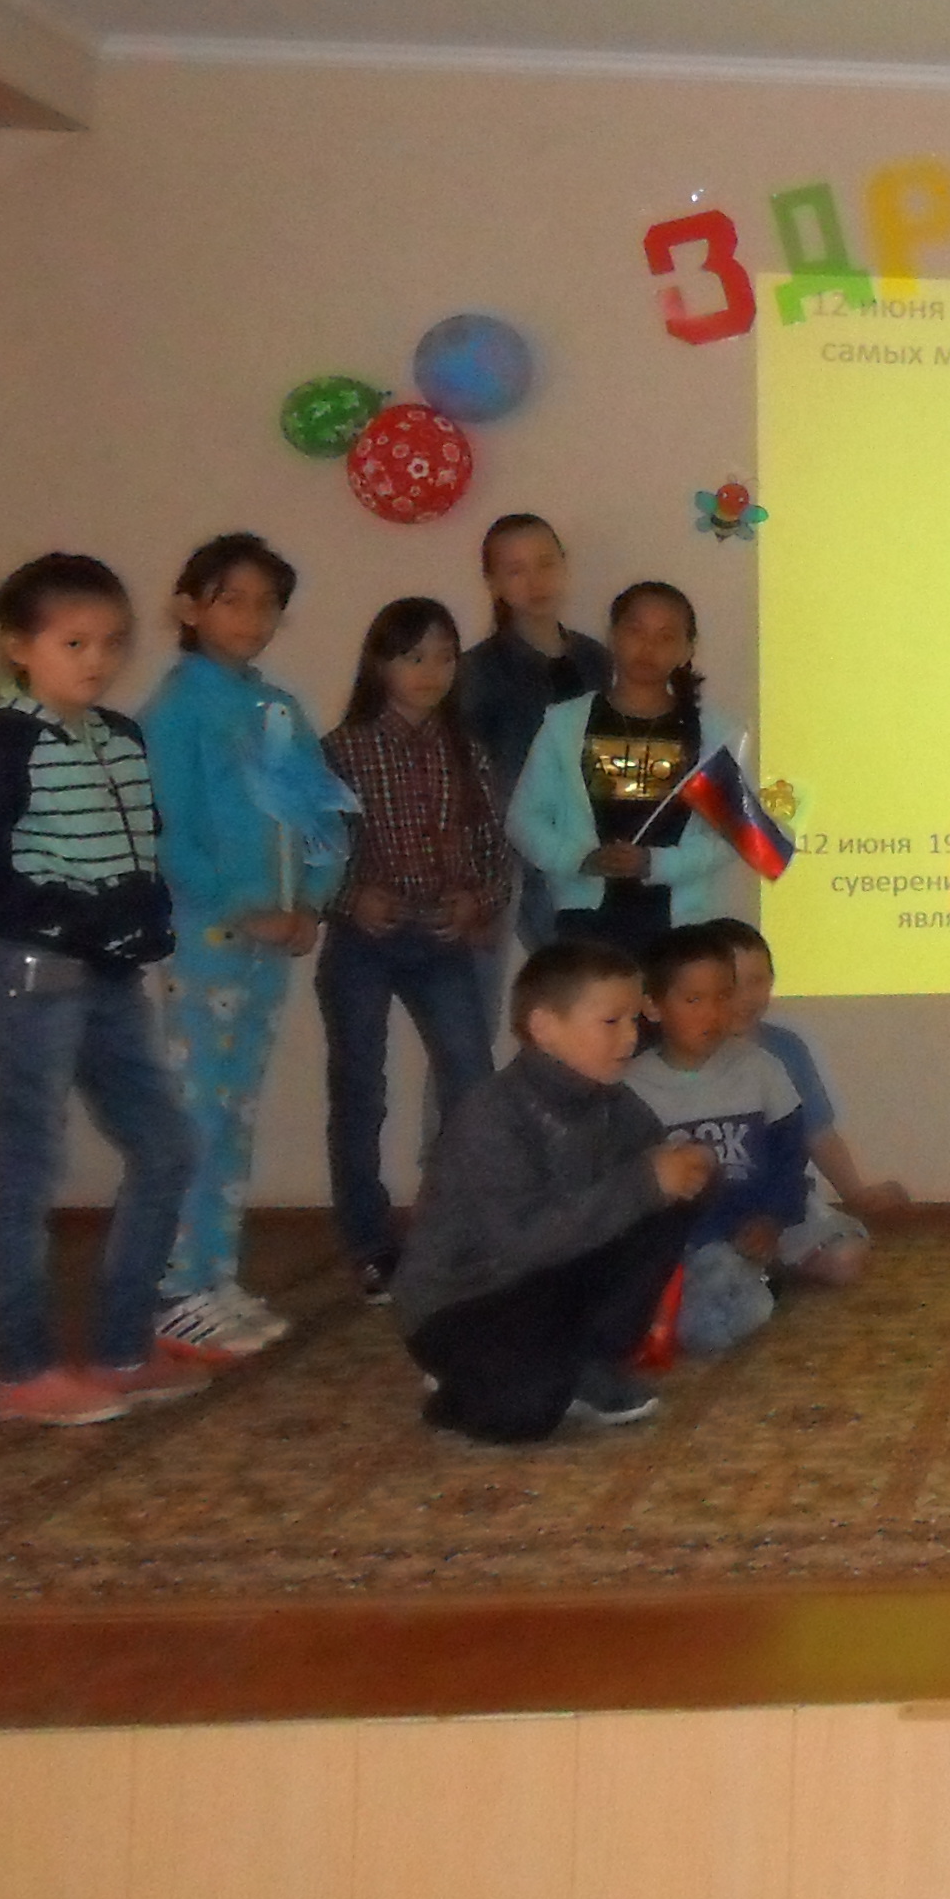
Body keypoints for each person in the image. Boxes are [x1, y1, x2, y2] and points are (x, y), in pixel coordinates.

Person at [0, 555, 212, 1427]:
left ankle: (122, 1348)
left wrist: (144, 917)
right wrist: (77, 918)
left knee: (166, 1147)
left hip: (111, 980)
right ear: (20, 645)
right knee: (24, 1173)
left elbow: (137, 849)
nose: (97, 660)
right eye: (74, 642)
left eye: (113, 643)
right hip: (29, 981)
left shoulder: (120, 737)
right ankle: (24, 1371)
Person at [141, 532, 340, 1363]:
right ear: (190, 608)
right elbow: (167, 830)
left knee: (236, 1110)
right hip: (208, 937)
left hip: (272, 940)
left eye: (267, 604)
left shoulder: (278, 707)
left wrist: (312, 903)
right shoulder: (176, 708)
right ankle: (173, 1287)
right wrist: (239, 906)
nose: (252, 618)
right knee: (198, 1110)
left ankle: (214, 1276)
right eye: (234, 600)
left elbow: (319, 815)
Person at [393, 940, 712, 1443]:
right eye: (611, 1021)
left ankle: (588, 1359)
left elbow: (648, 1174)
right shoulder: (493, 1116)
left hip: (548, 1281)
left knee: (687, 1188)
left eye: (634, 1019)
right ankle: (460, 1385)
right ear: (544, 1028)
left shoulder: (613, 1100)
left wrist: (687, 1165)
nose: (632, 1036)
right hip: (467, 1300)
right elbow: (524, 1242)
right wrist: (646, 1181)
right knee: (527, 1412)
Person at [317, 596, 514, 1303]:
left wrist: (479, 900)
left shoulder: (466, 750)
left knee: (473, 1086)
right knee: (360, 1091)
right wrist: (349, 897)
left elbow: (494, 848)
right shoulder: (341, 751)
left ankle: (462, 1234)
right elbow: (312, 852)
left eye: (445, 657)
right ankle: (370, 1242)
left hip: (441, 940)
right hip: (362, 944)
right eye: (414, 656)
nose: (432, 671)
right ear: (380, 663)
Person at [507, 580, 736, 954]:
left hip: (680, 928)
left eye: (666, 636)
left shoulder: (713, 733)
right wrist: (582, 859)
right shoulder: (566, 724)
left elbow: (728, 835)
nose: (648, 647)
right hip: (586, 924)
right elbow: (523, 819)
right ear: (612, 636)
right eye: (635, 631)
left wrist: (655, 863)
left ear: (687, 649)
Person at [623, 924, 815, 1357]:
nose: (712, 1013)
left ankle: (749, 1282)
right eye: (694, 1000)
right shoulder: (631, 1088)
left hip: (752, 1229)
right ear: (653, 1006)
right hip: (680, 1244)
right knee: (700, 1314)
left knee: (732, 1306)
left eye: (723, 997)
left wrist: (772, 1219)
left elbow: (790, 1157)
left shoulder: (761, 1068)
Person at [455, 514, 613, 956]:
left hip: (604, 846)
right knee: (571, 972)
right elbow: (468, 781)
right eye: (516, 570)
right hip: (526, 856)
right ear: (493, 583)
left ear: (564, 564)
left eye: (545, 563)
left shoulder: (597, 659)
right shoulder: (477, 672)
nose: (535, 581)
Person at [708, 917, 895, 1250]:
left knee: (846, 1254)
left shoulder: (787, 1048)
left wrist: (855, 1193)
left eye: (757, 981)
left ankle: (776, 1260)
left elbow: (818, 1133)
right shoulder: (689, 1054)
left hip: (781, 1199)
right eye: (731, 985)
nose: (746, 997)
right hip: (711, 1205)